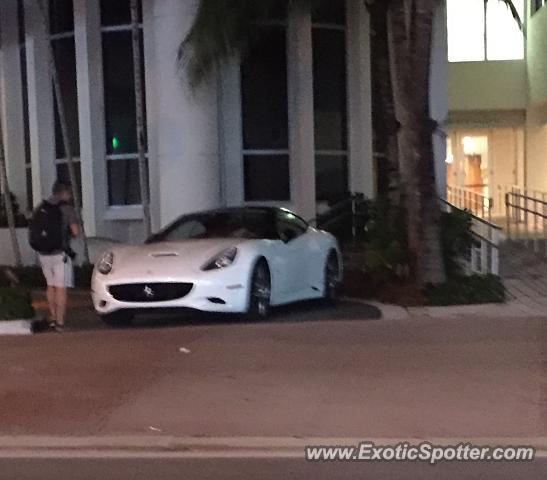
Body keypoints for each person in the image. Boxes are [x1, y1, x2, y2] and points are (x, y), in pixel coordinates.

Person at [33, 181, 79, 332]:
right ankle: (60, 321)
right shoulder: (66, 208)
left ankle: (52, 317)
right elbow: (75, 231)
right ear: (64, 192)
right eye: (69, 193)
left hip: (43, 253)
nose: (70, 196)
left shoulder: (41, 207)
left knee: (50, 286)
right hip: (60, 254)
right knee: (60, 287)